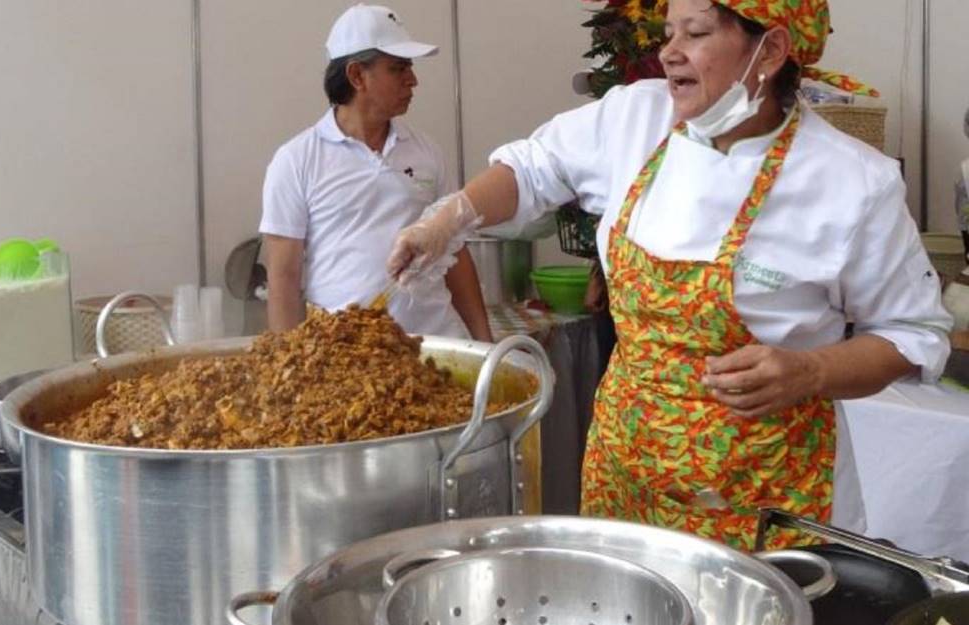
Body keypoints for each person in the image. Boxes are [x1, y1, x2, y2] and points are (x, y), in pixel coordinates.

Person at [386, 0, 953, 549]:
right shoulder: (636, 116)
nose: (669, 53)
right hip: (626, 479)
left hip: (761, 498)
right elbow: (536, 167)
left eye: (697, 34)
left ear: (772, 48)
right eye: (668, 32)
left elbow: (914, 334)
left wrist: (810, 370)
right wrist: (451, 217)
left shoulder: (851, 181)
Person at [260, 4, 491, 341]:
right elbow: (283, 278)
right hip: (349, 360)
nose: (413, 80)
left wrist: (486, 345)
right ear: (356, 76)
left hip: (437, 346)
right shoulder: (297, 160)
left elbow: (455, 253)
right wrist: (288, 368)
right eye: (398, 68)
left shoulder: (426, 151)